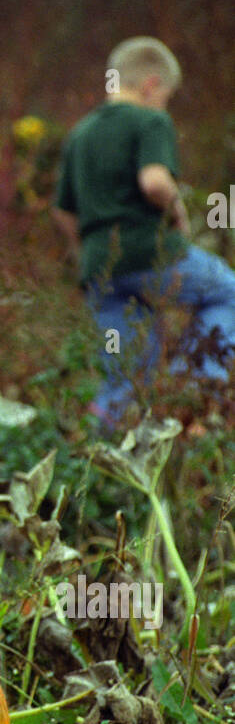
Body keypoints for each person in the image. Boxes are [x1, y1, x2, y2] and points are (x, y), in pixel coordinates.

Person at [53, 36, 235, 430]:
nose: (164, 103)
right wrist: (179, 210)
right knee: (227, 291)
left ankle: (101, 460)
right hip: (153, 255)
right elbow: (154, 181)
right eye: (166, 95)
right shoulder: (150, 120)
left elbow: (64, 211)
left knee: (125, 375)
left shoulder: (80, 134)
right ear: (152, 84)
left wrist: (89, 252)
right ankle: (198, 387)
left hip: (101, 269)